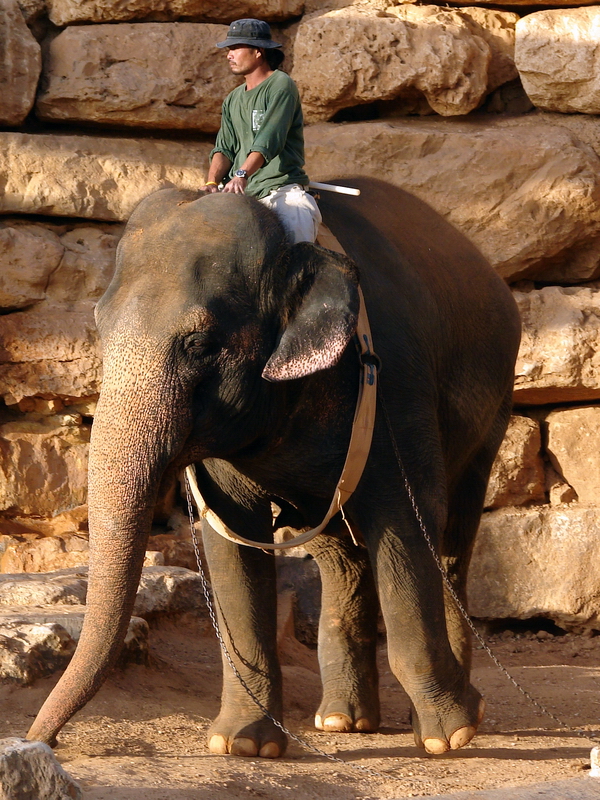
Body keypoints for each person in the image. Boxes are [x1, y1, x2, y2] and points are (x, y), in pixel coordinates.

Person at [201, 18, 322, 244]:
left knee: (298, 249)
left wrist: (241, 174)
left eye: (236, 48)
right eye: (229, 49)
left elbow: (269, 139)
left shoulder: (281, 84)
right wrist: (211, 182)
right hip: (243, 196)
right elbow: (224, 148)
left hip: (281, 190)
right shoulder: (233, 99)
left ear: (258, 52)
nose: (229, 54)